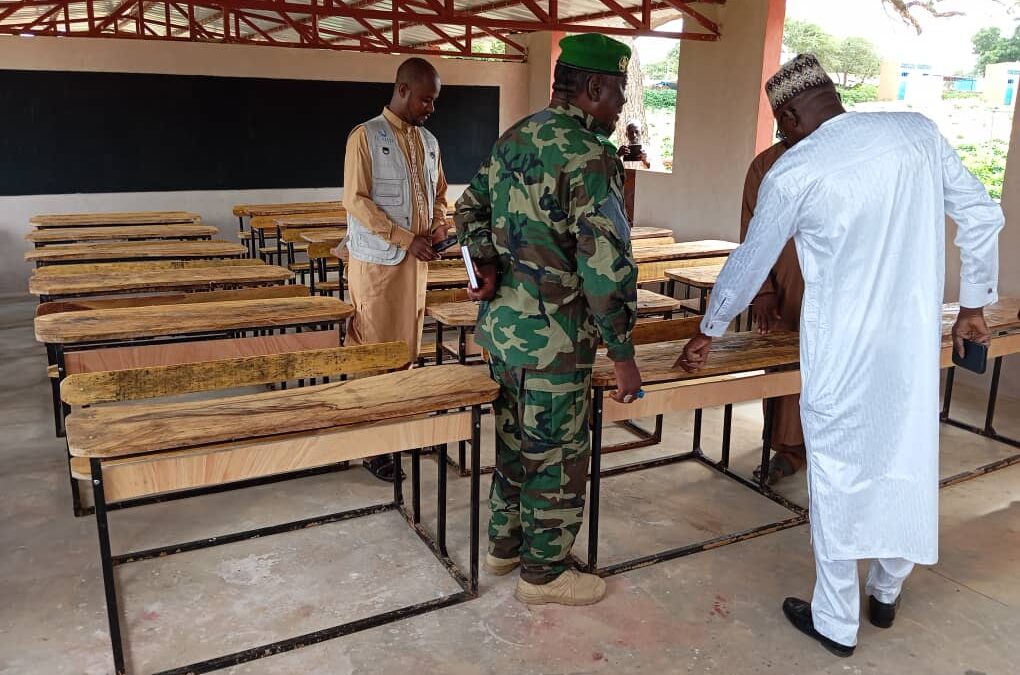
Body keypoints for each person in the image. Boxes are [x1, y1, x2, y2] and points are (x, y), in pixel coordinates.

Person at [676, 54, 1002, 656]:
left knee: (839, 475)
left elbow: (750, 259)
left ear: (790, 113)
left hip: (842, 353)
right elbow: (983, 215)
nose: (782, 135)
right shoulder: (917, 133)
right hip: (908, 347)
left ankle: (835, 619)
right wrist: (976, 305)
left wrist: (710, 327)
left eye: (782, 124)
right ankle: (886, 589)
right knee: (906, 457)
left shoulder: (796, 170)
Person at [455, 33, 644, 606]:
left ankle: (504, 544)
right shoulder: (591, 157)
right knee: (557, 454)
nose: (619, 108)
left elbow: (468, 209)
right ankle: (545, 574)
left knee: (515, 442)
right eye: (617, 94)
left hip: (503, 337)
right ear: (593, 88)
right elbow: (606, 267)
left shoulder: (515, 137)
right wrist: (623, 353)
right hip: (557, 344)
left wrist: (482, 261)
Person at [342, 57, 450, 482]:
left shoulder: (429, 142)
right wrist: (407, 239)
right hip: (378, 265)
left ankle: (397, 429)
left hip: (416, 265)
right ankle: (373, 444)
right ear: (403, 90)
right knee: (375, 349)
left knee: (406, 348)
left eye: (434, 101)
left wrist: (440, 225)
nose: (431, 108)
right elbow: (357, 200)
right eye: (426, 99)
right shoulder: (365, 137)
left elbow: (439, 192)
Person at [740, 141, 807, 484]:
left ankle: (824, 448)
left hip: (840, 290)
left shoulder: (848, 155)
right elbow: (752, 231)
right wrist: (763, 289)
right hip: (785, 285)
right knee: (784, 365)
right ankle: (787, 448)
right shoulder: (766, 164)